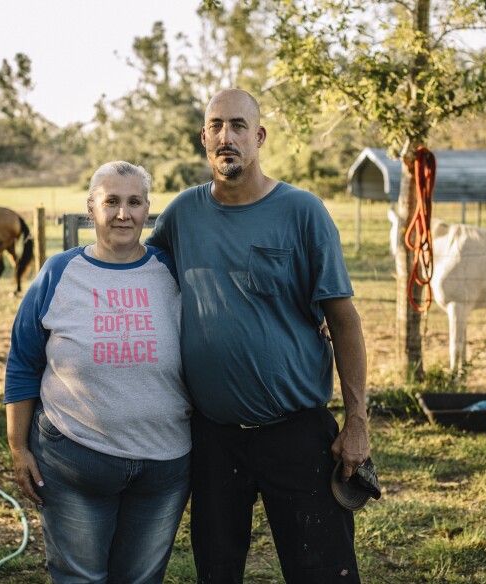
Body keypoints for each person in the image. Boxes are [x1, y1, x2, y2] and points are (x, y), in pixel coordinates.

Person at [147, 89, 371, 583]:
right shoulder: (182, 215)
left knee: (320, 569)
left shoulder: (302, 211)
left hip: (296, 431)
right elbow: (139, 276)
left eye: (239, 126)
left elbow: (344, 320)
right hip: (213, 436)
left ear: (260, 136)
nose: (227, 137)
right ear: (204, 138)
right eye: (216, 126)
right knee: (217, 569)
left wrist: (357, 420)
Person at [4, 161, 192, 583]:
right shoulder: (58, 273)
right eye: (111, 202)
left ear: (147, 211)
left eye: (134, 202)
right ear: (92, 209)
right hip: (74, 459)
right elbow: (22, 362)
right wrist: (18, 448)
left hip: (164, 465)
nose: (123, 214)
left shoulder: (173, 272)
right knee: (80, 579)